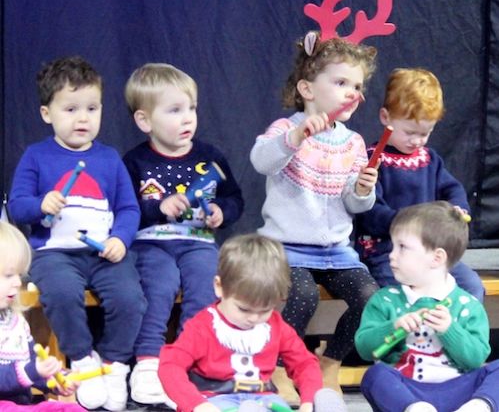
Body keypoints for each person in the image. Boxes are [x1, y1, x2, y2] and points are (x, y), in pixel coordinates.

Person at [8, 56, 147, 411]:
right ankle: (83, 361)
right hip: (54, 254)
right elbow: (17, 207)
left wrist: (120, 239)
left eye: (91, 108)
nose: (83, 118)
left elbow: (129, 209)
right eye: (70, 109)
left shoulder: (110, 158)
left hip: (102, 253)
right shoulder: (36, 156)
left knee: (131, 297)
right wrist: (40, 204)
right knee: (61, 292)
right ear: (47, 113)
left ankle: (113, 365)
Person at [250, 35, 380, 400]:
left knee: (371, 299)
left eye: (357, 86)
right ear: (307, 89)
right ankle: (277, 367)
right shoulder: (285, 129)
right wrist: (295, 137)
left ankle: (329, 363)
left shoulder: (353, 143)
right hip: (287, 249)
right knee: (304, 295)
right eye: (340, 83)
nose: (352, 93)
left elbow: (356, 205)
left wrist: (362, 190)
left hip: (336, 252)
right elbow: (261, 161)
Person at [123, 63, 244, 406]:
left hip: (198, 242)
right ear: (145, 121)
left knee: (206, 285)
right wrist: (158, 207)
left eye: (191, 108)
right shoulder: (135, 161)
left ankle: (191, 361)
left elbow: (235, 199)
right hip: (152, 244)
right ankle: (148, 362)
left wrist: (221, 212)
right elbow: (124, 210)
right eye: (175, 110)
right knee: (158, 286)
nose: (188, 118)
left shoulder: (210, 157)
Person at [158, 233, 347, 412]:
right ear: (219, 287)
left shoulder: (275, 325)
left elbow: (304, 363)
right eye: (244, 309)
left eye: (265, 310)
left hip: (263, 399)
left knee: (282, 404)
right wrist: (196, 404)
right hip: (215, 400)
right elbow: (170, 367)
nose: (254, 318)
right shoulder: (202, 326)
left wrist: (309, 399)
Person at [355, 201, 499, 412]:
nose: (391, 255)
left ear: (437, 258)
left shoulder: (467, 305)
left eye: (402, 247)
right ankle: (417, 409)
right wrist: (393, 327)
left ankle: (477, 407)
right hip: (407, 392)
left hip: (460, 393)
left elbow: (476, 359)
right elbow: (365, 349)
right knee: (375, 376)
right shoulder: (385, 300)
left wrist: (450, 330)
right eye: (393, 246)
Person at [355, 67, 484, 301]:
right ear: (385, 117)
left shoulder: (430, 159)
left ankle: (456, 325)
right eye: (409, 132)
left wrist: (457, 208)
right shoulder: (372, 160)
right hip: (389, 254)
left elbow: (453, 189)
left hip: (430, 252)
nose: (417, 141)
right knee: (402, 298)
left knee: (471, 285)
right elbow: (370, 214)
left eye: (425, 133)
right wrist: (411, 224)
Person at [0, 220, 86, 411]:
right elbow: (25, 372)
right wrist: (32, 371)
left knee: (71, 409)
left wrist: (56, 378)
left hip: (20, 405)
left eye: (20, 275)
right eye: (8, 275)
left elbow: (32, 366)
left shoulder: (16, 322)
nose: (18, 282)